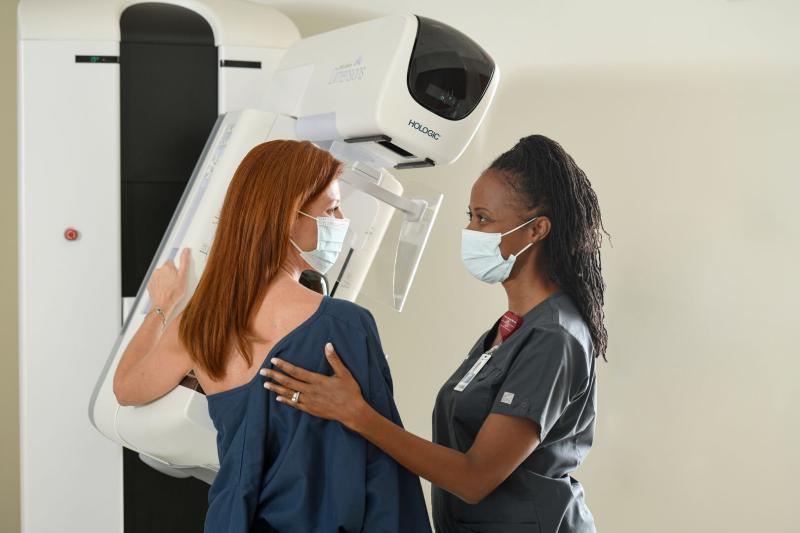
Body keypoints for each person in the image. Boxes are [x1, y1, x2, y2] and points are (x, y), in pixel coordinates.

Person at [262, 135, 607, 532]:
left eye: (483, 219)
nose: (470, 230)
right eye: (470, 216)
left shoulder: (554, 338)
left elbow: (474, 479)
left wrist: (355, 413)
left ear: (536, 230)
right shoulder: (512, 328)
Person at [112, 140, 432, 533]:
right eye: (331, 209)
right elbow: (384, 474)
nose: (341, 217)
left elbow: (125, 388)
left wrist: (162, 307)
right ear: (287, 218)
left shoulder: (199, 324)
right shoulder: (345, 326)